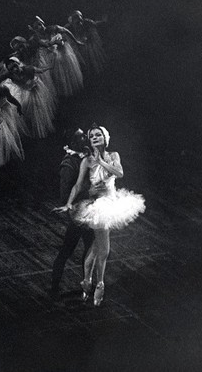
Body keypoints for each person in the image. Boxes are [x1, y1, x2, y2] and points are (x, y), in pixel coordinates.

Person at [53, 124, 145, 306]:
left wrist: (101, 161)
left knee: (95, 250)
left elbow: (119, 172)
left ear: (105, 138)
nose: (93, 138)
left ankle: (87, 283)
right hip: (97, 207)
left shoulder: (113, 156)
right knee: (103, 250)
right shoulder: (85, 161)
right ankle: (98, 285)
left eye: (98, 135)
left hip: (112, 202)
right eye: (91, 135)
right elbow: (78, 185)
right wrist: (69, 204)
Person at [49, 129, 94, 300]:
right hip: (79, 211)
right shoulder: (69, 163)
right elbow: (66, 190)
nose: (85, 138)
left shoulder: (85, 155)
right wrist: (70, 208)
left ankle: (86, 284)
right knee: (69, 250)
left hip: (89, 208)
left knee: (89, 248)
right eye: (81, 136)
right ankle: (55, 287)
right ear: (73, 141)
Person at [0, 57, 57, 139]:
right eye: (12, 69)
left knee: (39, 108)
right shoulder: (10, 75)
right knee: (30, 110)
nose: (15, 69)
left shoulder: (29, 69)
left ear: (18, 64)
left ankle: (44, 124)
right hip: (26, 92)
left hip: (36, 89)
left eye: (15, 66)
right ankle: (34, 124)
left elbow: (42, 70)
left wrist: (52, 62)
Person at [65, 11, 108, 75]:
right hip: (78, 48)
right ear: (71, 20)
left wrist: (103, 21)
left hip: (89, 45)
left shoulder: (86, 22)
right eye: (76, 17)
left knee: (93, 61)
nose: (80, 18)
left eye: (81, 16)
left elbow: (95, 23)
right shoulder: (68, 27)